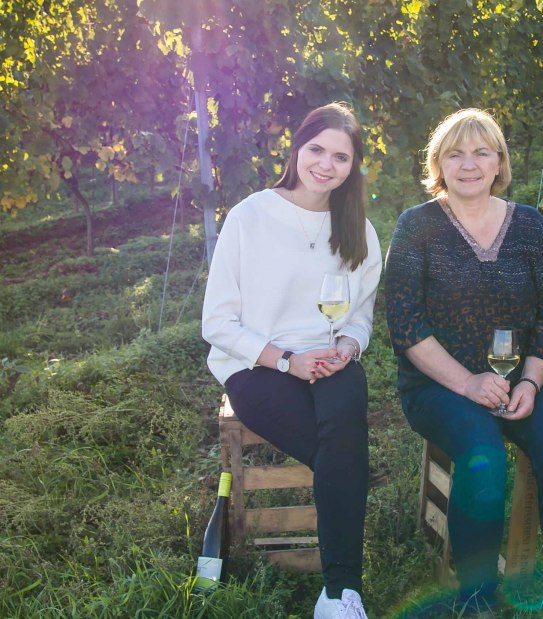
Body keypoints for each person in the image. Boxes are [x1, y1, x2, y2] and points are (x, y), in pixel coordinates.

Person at [385, 108, 543, 610]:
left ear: (499, 161)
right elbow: (407, 326)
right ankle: (477, 594)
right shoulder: (416, 227)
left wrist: (533, 383)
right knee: (483, 458)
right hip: (438, 385)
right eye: (455, 153)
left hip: (521, 379)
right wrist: (468, 384)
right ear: (438, 164)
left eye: (481, 152)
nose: (469, 164)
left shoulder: (528, 224)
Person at [201, 102, 381, 619]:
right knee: (342, 455)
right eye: (317, 149)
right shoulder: (250, 216)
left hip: (331, 359)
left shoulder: (360, 233)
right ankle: (343, 588)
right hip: (256, 365)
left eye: (341, 157)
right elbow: (217, 324)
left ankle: (338, 595)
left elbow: (359, 318)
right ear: (297, 149)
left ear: (354, 167)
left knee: (342, 427)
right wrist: (286, 362)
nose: (325, 164)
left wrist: (348, 347)